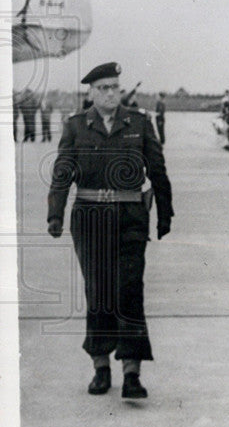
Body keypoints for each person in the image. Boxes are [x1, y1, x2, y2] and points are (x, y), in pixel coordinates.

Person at [47, 62, 173, 398]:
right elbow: (62, 173)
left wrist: (165, 213)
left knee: (130, 289)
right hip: (90, 219)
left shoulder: (139, 123)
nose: (110, 93)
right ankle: (100, 367)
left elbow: (158, 170)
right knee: (99, 291)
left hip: (131, 217)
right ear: (90, 92)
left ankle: (132, 371)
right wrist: (55, 214)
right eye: (102, 88)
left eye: (114, 87)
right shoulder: (76, 126)